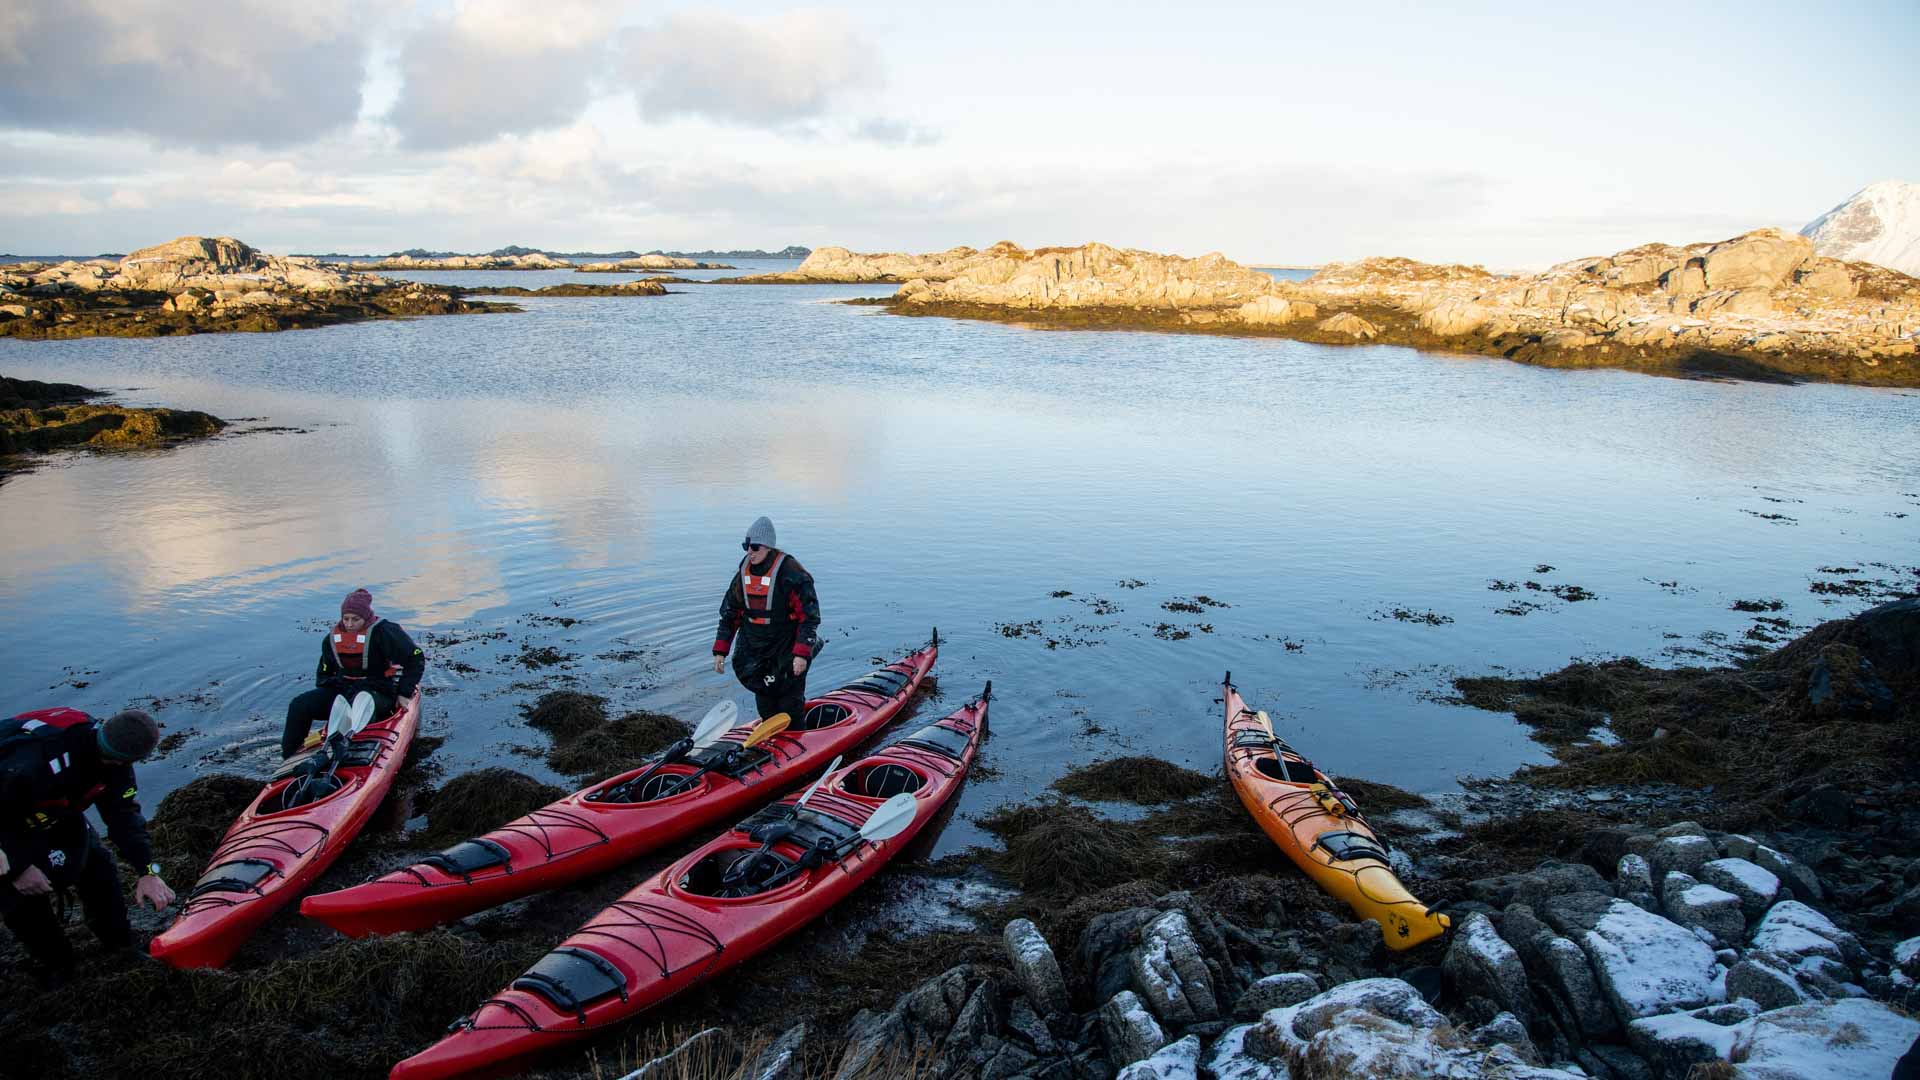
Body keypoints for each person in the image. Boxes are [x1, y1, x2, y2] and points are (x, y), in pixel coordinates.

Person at [0, 707, 172, 985]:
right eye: (119, 762)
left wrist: (148, 870)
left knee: (99, 869)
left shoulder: (117, 764)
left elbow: (125, 817)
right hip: (7, 822)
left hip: (56, 812)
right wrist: (17, 868)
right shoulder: (31, 764)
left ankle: (120, 943)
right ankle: (58, 964)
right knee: (23, 896)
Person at [282, 588, 425, 758]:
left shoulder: (385, 632)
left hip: (378, 691)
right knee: (299, 705)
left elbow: (416, 658)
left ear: (366, 618)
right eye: (346, 619)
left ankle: (358, 755)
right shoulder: (332, 639)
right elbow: (324, 672)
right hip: (345, 688)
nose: (349, 624)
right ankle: (290, 757)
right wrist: (328, 689)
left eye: (355, 620)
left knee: (359, 703)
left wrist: (404, 693)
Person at [712, 516, 822, 722]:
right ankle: (772, 743)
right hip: (757, 650)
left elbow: (809, 616)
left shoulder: (791, 572)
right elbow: (730, 613)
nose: (749, 552)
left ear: (768, 547)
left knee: (790, 704)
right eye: (746, 546)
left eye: (754, 547)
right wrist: (720, 651)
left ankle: (798, 741)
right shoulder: (743, 574)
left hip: (787, 646)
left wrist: (800, 654)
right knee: (765, 704)